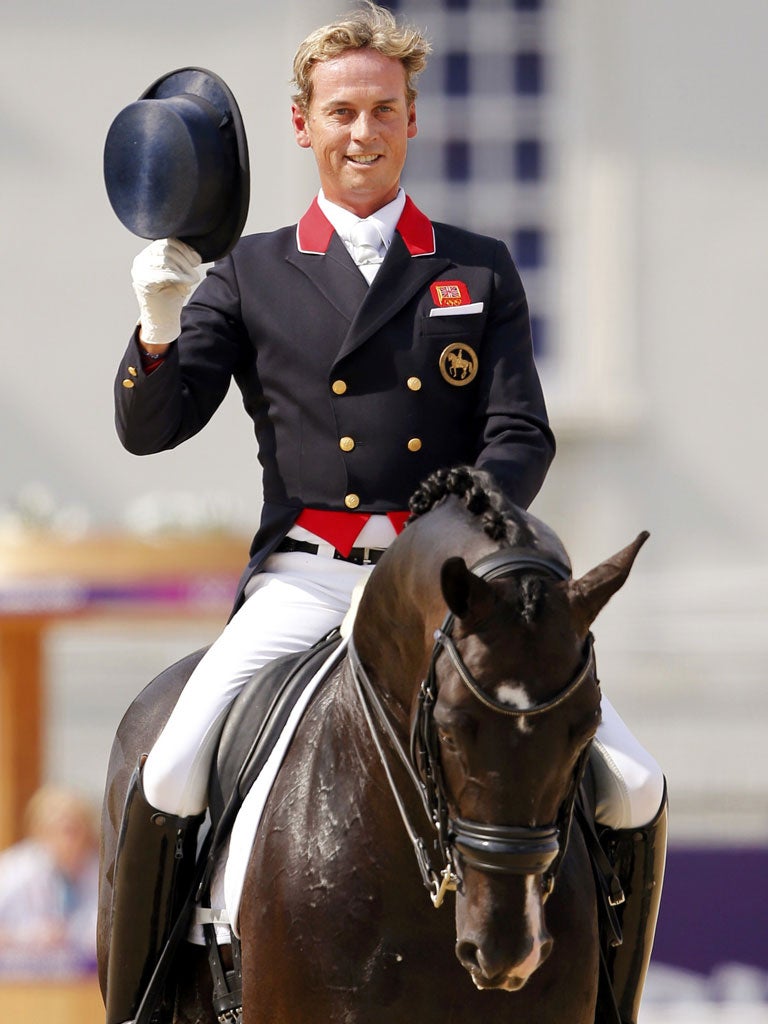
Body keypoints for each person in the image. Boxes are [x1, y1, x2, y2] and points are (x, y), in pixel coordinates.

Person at [106, 4, 666, 1023]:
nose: (362, 132)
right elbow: (154, 427)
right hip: (308, 579)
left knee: (633, 781)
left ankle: (608, 1002)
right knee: (172, 764)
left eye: (383, 111)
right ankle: (143, 1003)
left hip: (447, 593)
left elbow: (519, 436)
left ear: (413, 123)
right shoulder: (250, 272)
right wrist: (157, 322)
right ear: (303, 124)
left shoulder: (477, 268)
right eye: (342, 111)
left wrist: (454, 542)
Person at [0, 786, 99, 977]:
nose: (71, 839)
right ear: (40, 830)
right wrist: (26, 937)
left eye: (77, 829)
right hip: (18, 984)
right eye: (63, 829)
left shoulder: (95, 871)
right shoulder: (15, 871)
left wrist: (71, 935)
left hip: (77, 983)